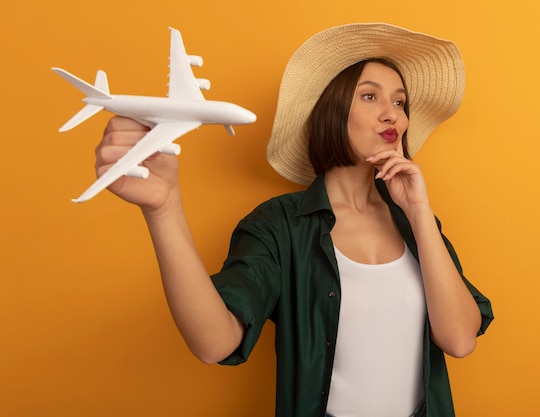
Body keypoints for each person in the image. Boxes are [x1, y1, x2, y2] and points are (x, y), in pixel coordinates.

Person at [95, 23, 493, 417]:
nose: (392, 115)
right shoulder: (278, 226)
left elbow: (459, 340)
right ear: (331, 111)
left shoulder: (414, 220)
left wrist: (420, 214)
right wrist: (164, 209)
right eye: (370, 96)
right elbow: (215, 343)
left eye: (400, 102)